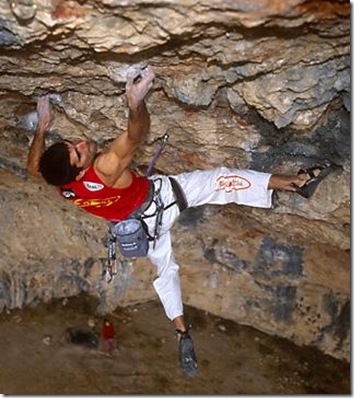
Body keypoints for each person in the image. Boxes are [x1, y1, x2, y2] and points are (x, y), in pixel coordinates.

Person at [26, 65, 332, 377]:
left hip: (139, 231)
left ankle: (181, 330)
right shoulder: (103, 168)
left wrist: (42, 127)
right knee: (221, 181)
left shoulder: (63, 184)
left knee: (165, 269)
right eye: (78, 153)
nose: (81, 144)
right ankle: (297, 183)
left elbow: (34, 170)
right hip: (164, 199)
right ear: (80, 171)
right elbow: (137, 134)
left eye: (71, 143)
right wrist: (135, 102)